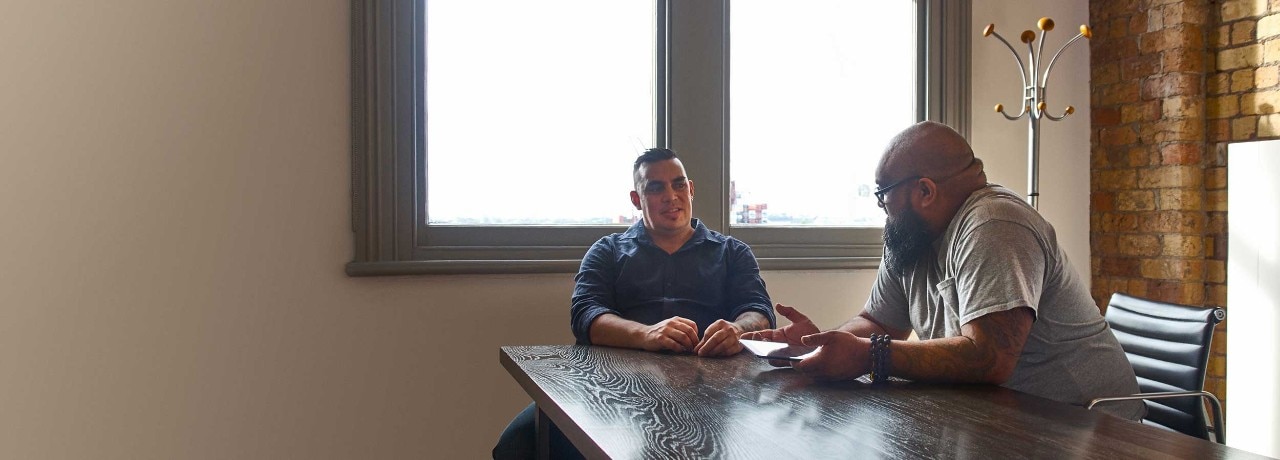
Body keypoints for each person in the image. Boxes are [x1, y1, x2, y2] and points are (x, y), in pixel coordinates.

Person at [743, 121, 1145, 421]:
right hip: (1005, 418)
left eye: (883, 194)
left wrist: (869, 356)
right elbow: (877, 321)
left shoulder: (995, 224)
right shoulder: (911, 237)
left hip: (1087, 427)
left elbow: (989, 357)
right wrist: (821, 345)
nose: (880, 207)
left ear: (924, 191)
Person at [493, 148, 776, 459]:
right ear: (636, 198)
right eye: (656, 187)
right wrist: (646, 335)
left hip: (711, 388)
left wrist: (737, 329)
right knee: (517, 444)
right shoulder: (607, 251)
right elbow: (586, 316)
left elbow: (760, 312)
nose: (671, 196)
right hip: (609, 385)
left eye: (679, 184)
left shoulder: (732, 253)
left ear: (691, 189)